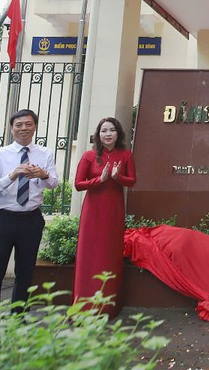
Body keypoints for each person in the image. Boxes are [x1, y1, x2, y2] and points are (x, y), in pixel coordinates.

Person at [0, 109, 59, 325]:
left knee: (25, 273)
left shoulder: (45, 153)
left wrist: (43, 174)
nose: (24, 128)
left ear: (34, 127)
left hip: (31, 219)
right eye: (19, 125)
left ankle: (20, 318)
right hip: (2, 220)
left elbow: (54, 183)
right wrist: (11, 176)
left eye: (28, 124)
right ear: (12, 128)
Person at [73, 117, 137, 316]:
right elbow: (78, 184)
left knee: (110, 252)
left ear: (118, 133)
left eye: (111, 130)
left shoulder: (126, 155)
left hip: (114, 210)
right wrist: (98, 180)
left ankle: (107, 306)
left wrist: (118, 178)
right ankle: (84, 306)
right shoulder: (89, 156)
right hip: (93, 210)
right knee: (89, 253)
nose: (107, 134)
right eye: (103, 131)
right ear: (98, 135)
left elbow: (132, 181)